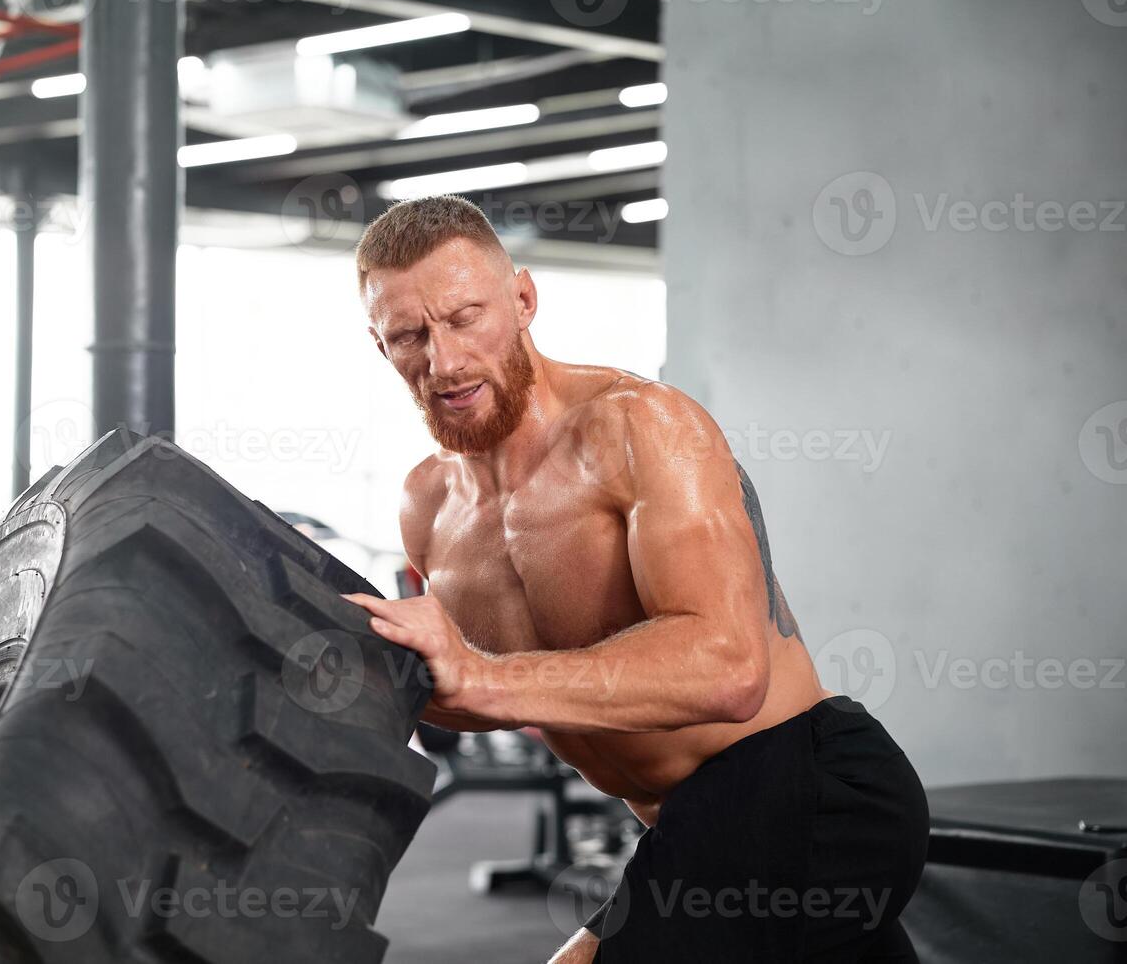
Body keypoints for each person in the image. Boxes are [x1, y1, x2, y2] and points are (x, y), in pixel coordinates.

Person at [341, 196, 929, 962]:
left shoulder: (643, 427)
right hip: (690, 823)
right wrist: (387, 677)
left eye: (463, 318)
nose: (443, 361)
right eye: (410, 335)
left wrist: (482, 678)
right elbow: (512, 694)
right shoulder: (426, 504)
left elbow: (729, 667)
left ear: (522, 300)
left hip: (808, 785)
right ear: (380, 345)